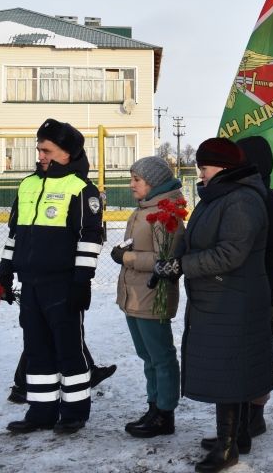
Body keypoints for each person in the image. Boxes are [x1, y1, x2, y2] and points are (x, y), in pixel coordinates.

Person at [170, 137, 273, 473]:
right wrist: (175, 258)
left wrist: (182, 266)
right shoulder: (217, 196)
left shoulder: (241, 200)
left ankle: (228, 446)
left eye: (204, 166)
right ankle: (237, 434)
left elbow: (231, 253)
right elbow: (194, 239)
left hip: (234, 297)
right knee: (230, 365)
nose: (200, 173)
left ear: (224, 167)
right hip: (220, 296)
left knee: (229, 368)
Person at [0, 118, 104, 434]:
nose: (41, 155)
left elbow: (90, 238)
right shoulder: (28, 184)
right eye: (39, 149)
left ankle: (74, 413)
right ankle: (41, 412)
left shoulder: (82, 190)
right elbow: (14, 235)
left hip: (63, 285)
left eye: (47, 149)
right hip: (30, 284)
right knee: (36, 350)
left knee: (69, 350)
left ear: (67, 153)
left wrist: (81, 282)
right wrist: (5, 274)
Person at [112, 155, 185, 438]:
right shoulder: (143, 209)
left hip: (153, 293)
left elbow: (166, 258)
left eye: (136, 180)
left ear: (153, 183)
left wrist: (127, 257)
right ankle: (154, 407)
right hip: (134, 293)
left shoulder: (167, 212)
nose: (131, 185)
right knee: (147, 355)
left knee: (160, 356)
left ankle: (165, 413)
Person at [235, 136, 273, 440]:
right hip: (243, 289)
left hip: (262, 288)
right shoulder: (240, 196)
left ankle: (254, 415)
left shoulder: (268, 200)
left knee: (257, 352)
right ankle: (240, 414)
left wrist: (270, 298)